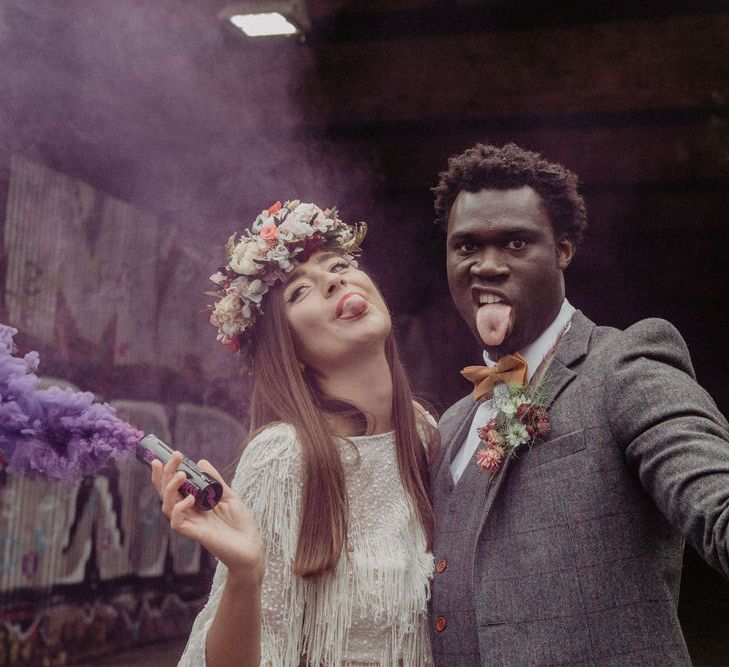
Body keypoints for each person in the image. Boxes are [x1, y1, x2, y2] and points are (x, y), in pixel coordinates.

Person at [427, 142, 729, 665]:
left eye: (516, 243)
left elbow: (715, 500)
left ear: (563, 250)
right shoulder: (452, 423)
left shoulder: (624, 364)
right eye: (467, 247)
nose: (488, 266)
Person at [151, 200, 438, 666]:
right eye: (299, 291)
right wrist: (245, 575)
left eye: (340, 264)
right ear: (291, 351)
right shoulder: (284, 454)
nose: (334, 279)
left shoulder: (426, 435)